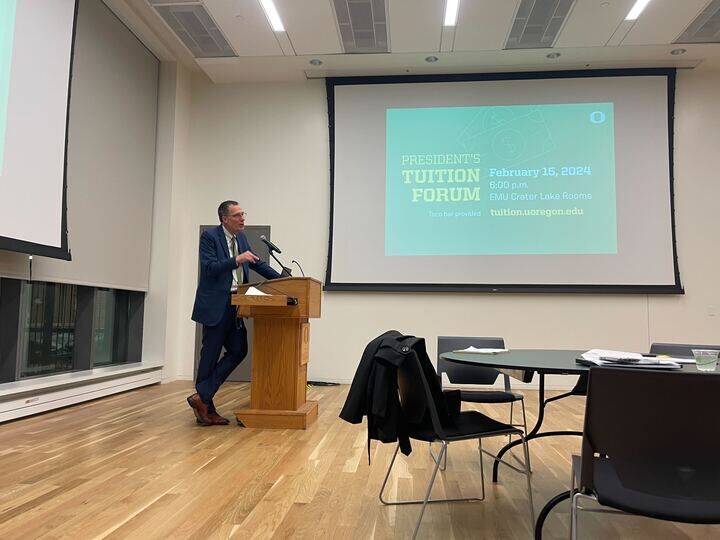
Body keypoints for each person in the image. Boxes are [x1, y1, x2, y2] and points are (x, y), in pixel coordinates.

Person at [187, 200, 282, 425]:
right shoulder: (209, 238)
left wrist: (283, 279)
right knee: (209, 357)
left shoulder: (241, 238)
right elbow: (209, 268)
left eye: (243, 214)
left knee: (239, 350)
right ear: (224, 219)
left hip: (237, 303)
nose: (243, 219)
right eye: (238, 215)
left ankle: (202, 397)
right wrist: (236, 260)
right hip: (215, 305)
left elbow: (255, 263)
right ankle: (206, 411)